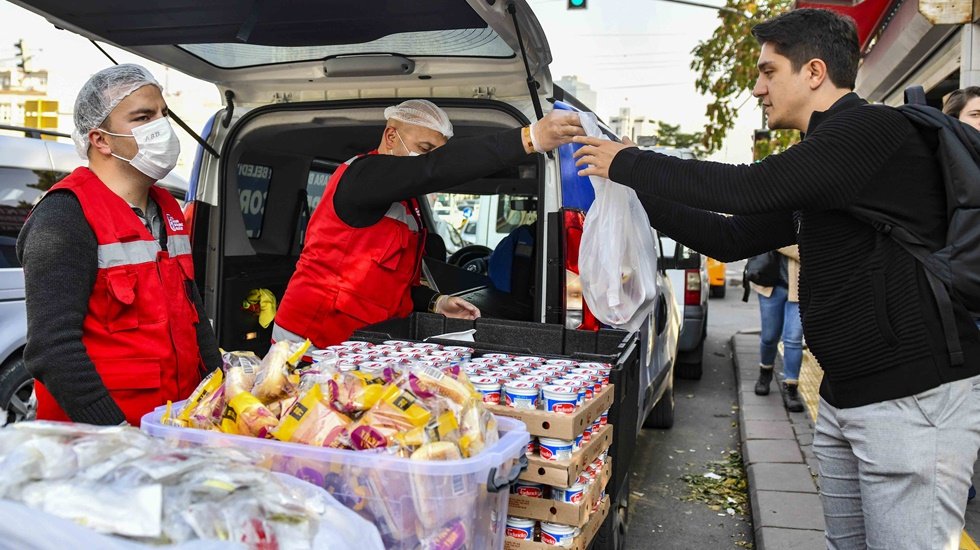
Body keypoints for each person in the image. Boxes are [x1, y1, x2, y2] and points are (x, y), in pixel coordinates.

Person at [572, 9, 980, 549]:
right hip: (847, 395)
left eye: (767, 71)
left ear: (814, 72)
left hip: (911, 402)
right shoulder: (825, 161)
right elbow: (731, 237)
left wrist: (630, 161)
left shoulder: (871, 132)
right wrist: (628, 192)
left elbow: (745, 189)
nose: (758, 87)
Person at [272, 100, 584, 350]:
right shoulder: (362, 177)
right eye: (424, 149)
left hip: (363, 343)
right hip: (311, 340)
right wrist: (529, 138)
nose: (429, 161)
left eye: (436, 153)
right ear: (391, 136)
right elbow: (433, 171)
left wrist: (436, 301)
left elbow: (392, 284)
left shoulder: (406, 205)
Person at [17, 64, 222, 427]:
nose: (162, 126)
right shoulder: (66, 216)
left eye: (163, 114)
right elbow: (52, 350)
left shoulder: (168, 209)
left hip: (174, 429)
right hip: (102, 445)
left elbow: (194, 320)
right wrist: (116, 434)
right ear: (101, 140)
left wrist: (221, 393)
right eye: (143, 117)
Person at [752, 245, 804, 413]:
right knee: (769, 337)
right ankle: (765, 372)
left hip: (800, 289)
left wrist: (777, 241)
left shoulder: (806, 222)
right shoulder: (770, 218)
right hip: (770, 286)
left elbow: (806, 251)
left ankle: (791, 387)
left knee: (793, 339)